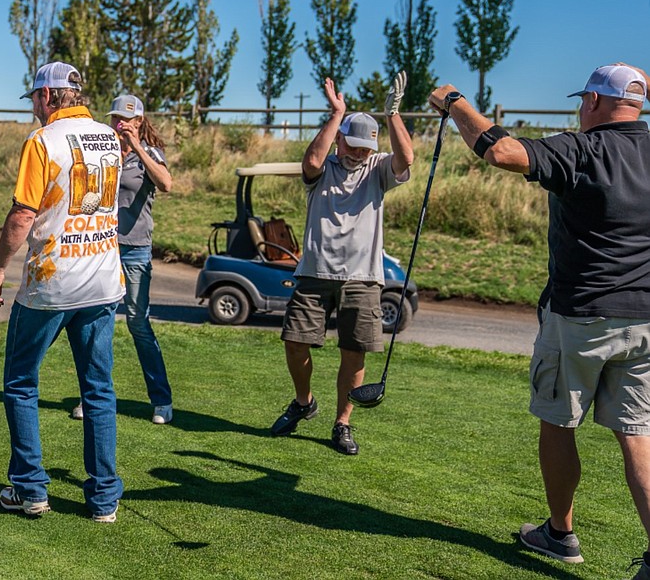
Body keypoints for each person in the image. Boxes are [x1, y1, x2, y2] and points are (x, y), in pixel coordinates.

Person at [429, 64, 650, 577]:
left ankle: (560, 533)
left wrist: (455, 100)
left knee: (558, 421)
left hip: (580, 318)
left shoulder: (581, 147)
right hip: (645, 321)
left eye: (583, 100)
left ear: (594, 101)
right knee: (637, 435)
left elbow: (501, 151)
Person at [0, 61, 125, 522]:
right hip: (103, 278)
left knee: (21, 383)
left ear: (47, 97)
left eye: (35, 100)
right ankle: (104, 499)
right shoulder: (109, 135)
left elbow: (23, 215)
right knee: (99, 390)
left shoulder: (42, 140)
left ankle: (30, 489)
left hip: (53, 282)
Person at [269, 72, 413, 456]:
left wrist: (392, 115)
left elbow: (407, 158)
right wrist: (338, 112)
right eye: (352, 145)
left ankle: (342, 422)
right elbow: (313, 159)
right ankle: (304, 402)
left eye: (365, 148)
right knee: (296, 343)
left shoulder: (379, 168)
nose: (358, 154)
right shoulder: (323, 169)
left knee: (354, 352)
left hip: (363, 278)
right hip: (315, 273)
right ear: (341, 140)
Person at [69, 93, 174, 425]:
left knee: (138, 324)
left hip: (136, 249)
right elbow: (89, 198)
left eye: (126, 119)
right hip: (102, 248)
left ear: (140, 122)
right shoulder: (105, 152)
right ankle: (94, 398)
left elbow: (167, 184)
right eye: (115, 118)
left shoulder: (151, 154)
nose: (119, 124)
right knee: (98, 322)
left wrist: (138, 148)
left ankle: (162, 401)